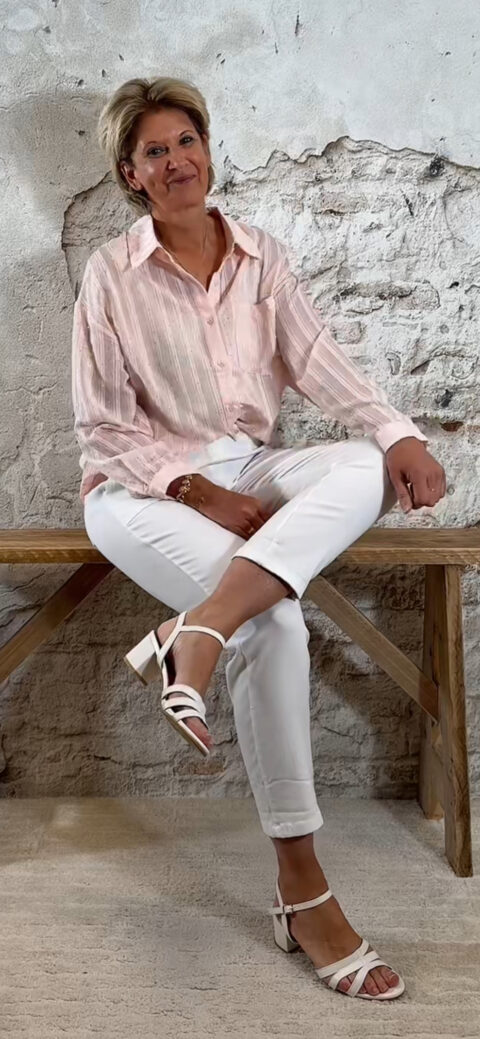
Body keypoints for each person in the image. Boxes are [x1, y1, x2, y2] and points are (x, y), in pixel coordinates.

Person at [72, 75, 446, 1001]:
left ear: (207, 149)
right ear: (130, 175)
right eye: (154, 151)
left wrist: (397, 431)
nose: (177, 161)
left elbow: (320, 362)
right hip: (139, 489)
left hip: (251, 466)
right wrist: (197, 490)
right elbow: (103, 429)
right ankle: (303, 890)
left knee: (363, 466)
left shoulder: (261, 256)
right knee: (273, 622)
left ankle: (194, 630)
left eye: (187, 141)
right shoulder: (111, 275)